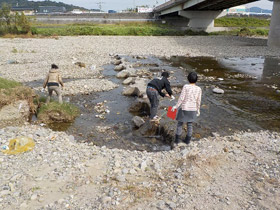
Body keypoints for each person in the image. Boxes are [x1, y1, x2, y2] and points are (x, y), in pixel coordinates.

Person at [172, 72, 202, 145]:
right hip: (193, 109)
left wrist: (176, 106)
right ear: (196, 80)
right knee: (189, 124)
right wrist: (198, 110)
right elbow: (199, 100)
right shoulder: (199, 89)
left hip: (184, 108)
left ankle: (177, 140)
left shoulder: (186, 86)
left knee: (180, 123)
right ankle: (188, 140)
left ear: (188, 79)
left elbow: (181, 98)